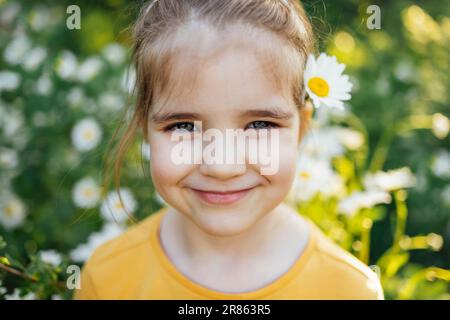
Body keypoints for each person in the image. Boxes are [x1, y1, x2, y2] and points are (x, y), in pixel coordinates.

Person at [74, 0, 383, 300]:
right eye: (183, 127)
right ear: (145, 130)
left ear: (301, 128)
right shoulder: (107, 280)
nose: (222, 166)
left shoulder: (349, 290)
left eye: (260, 125)